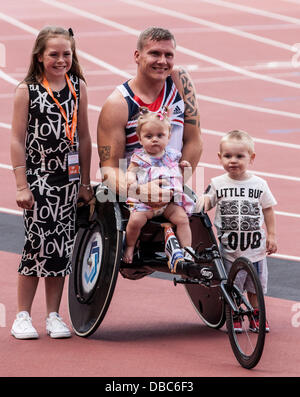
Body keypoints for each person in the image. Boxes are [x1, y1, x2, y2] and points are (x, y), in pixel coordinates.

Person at [10, 26, 93, 339]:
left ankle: (54, 315)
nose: (61, 60)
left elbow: (84, 136)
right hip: (38, 179)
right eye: (54, 54)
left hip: (68, 182)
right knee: (36, 246)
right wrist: (21, 183)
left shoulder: (78, 87)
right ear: (40, 56)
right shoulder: (27, 90)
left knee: (61, 248)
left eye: (66, 54)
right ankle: (22, 315)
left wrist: (85, 181)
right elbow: (17, 139)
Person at [97, 26, 202, 207]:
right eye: (155, 54)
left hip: (171, 181)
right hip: (133, 191)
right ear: (137, 56)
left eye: (168, 55)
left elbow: (194, 140)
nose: (162, 61)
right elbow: (109, 169)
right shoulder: (118, 104)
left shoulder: (180, 81)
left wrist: (172, 182)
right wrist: (141, 192)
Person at [202, 130, 277, 333]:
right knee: (231, 286)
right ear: (219, 158)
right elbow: (205, 203)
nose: (233, 161)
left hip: (256, 250)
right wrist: (198, 201)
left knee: (255, 288)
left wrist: (271, 235)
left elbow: (268, 210)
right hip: (229, 250)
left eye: (239, 156)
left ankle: (256, 315)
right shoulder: (218, 183)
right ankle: (234, 315)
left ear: (251, 158)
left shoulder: (260, 184)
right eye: (227, 156)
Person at [123, 107, 195, 263]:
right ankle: (130, 245)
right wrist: (130, 179)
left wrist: (186, 169)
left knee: (182, 219)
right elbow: (130, 171)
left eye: (160, 135)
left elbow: (181, 179)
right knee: (135, 221)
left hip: (168, 202)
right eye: (149, 136)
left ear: (169, 136)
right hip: (146, 203)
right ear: (140, 139)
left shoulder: (173, 156)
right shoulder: (140, 157)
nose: (154, 139)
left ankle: (187, 249)